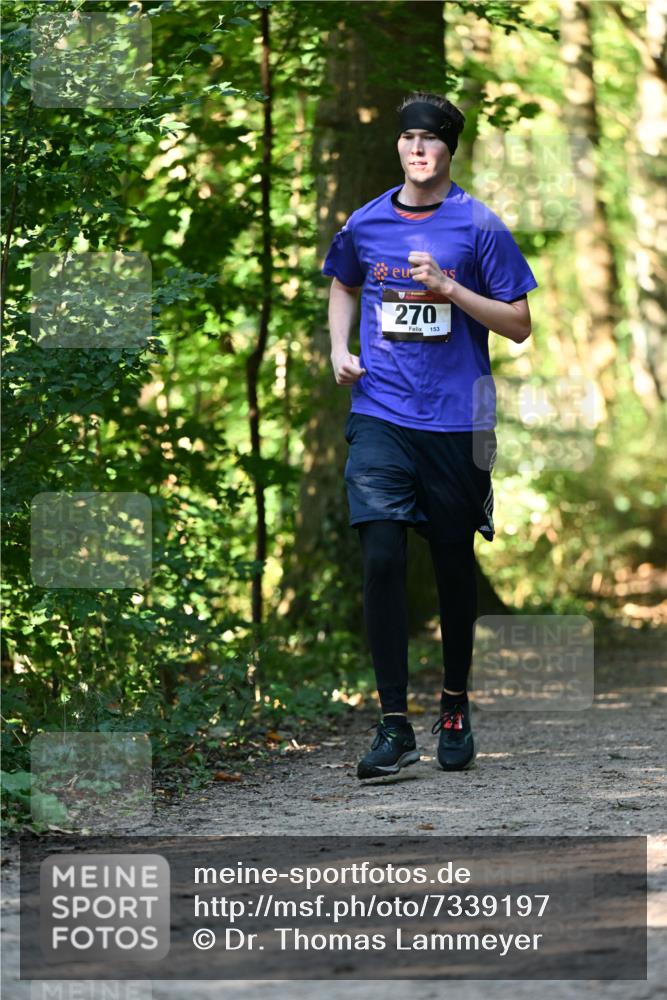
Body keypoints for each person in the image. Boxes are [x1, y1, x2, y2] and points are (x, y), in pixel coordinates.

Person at [322, 91, 538, 780]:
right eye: (408, 138)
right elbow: (341, 283)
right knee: (380, 552)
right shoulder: (365, 222)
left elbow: (517, 323)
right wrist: (337, 349)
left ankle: (452, 705)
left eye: (431, 139)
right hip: (380, 410)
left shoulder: (479, 227)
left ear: (449, 150)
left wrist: (450, 289)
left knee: (450, 568)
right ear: (397, 146)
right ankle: (392, 724)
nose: (418, 149)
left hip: (456, 421)